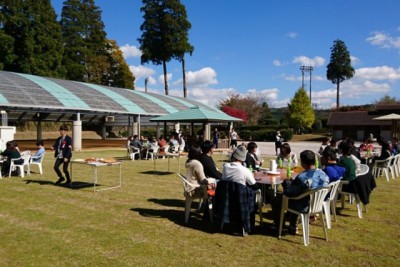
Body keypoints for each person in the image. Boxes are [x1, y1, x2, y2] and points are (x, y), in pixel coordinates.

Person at [268, 150, 329, 233]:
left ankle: (279, 226)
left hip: (303, 205)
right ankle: (292, 226)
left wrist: (288, 185)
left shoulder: (302, 177)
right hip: (317, 204)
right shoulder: (323, 174)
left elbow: (289, 193)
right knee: (297, 194)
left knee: (276, 199)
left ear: (303, 163)